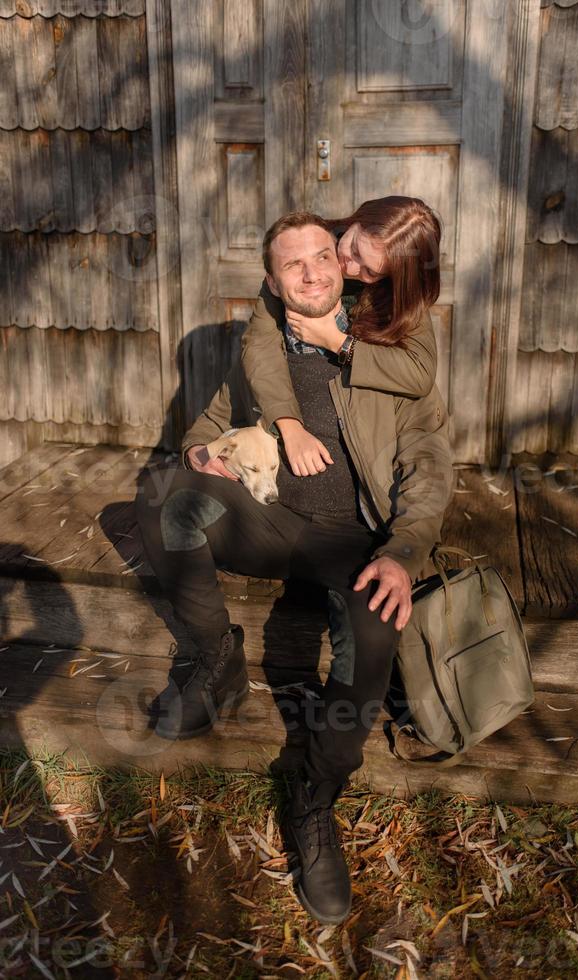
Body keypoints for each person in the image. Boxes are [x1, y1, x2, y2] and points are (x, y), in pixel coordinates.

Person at [135, 212, 453, 926]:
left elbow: (428, 462)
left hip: (351, 537)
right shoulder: (264, 343)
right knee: (163, 496)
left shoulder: (389, 340)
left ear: (346, 267)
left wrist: (404, 552)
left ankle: (317, 796)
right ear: (273, 281)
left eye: (322, 257)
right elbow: (205, 423)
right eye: (292, 265)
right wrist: (199, 456)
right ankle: (215, 661)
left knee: (375, 632)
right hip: (270, 521)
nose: (311, 273)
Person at [241, 196, 443, 479]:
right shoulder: (310, 246)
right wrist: (289, 427)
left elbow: (419, 373)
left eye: (371, 271)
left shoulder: (399, 289)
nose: (350, 266)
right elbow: (259, 345)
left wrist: (336, 341)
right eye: (355, 249)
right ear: (355, 220)